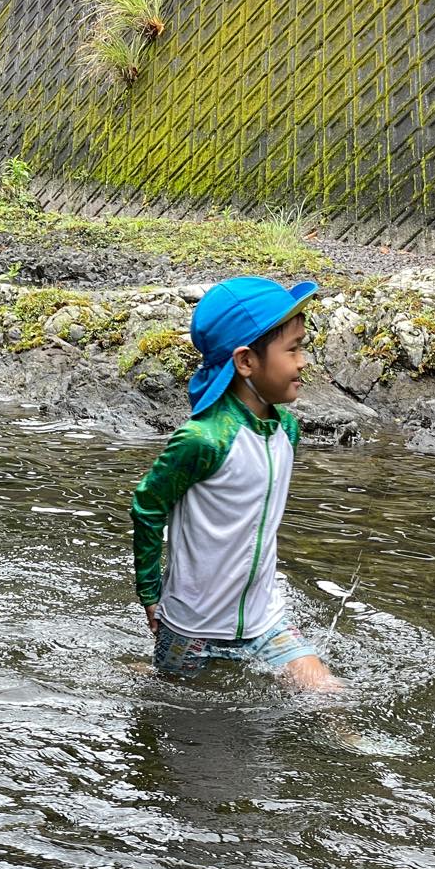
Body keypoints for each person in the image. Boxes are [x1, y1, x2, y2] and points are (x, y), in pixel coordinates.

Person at [130, 276, 337, 691]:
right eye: (293, 349)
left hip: (265, 617)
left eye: (302, 347)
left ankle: (366, 750)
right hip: (192, 627)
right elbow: (148, 506)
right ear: (246, 362)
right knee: (172, 709)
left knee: (327, 695)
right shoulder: (203, 439)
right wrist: (150, 594)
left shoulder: (287, 431)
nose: (303, 362)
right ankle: (139, 671)